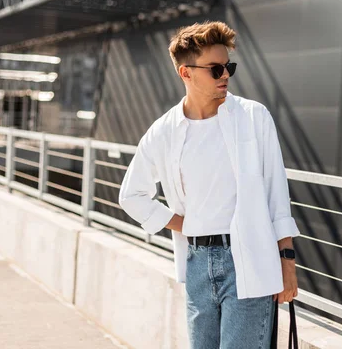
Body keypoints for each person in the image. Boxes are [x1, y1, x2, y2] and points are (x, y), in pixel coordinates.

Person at [118, 21, 300, 349]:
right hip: (197, 263)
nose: (225, 75)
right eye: (216, 69)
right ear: (186, 73)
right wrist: (183, 225)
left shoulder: (253, 117)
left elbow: (276, 195)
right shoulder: (164, 132)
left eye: (228, 66)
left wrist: (287, 262)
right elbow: (132, 195)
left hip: (250, 261)